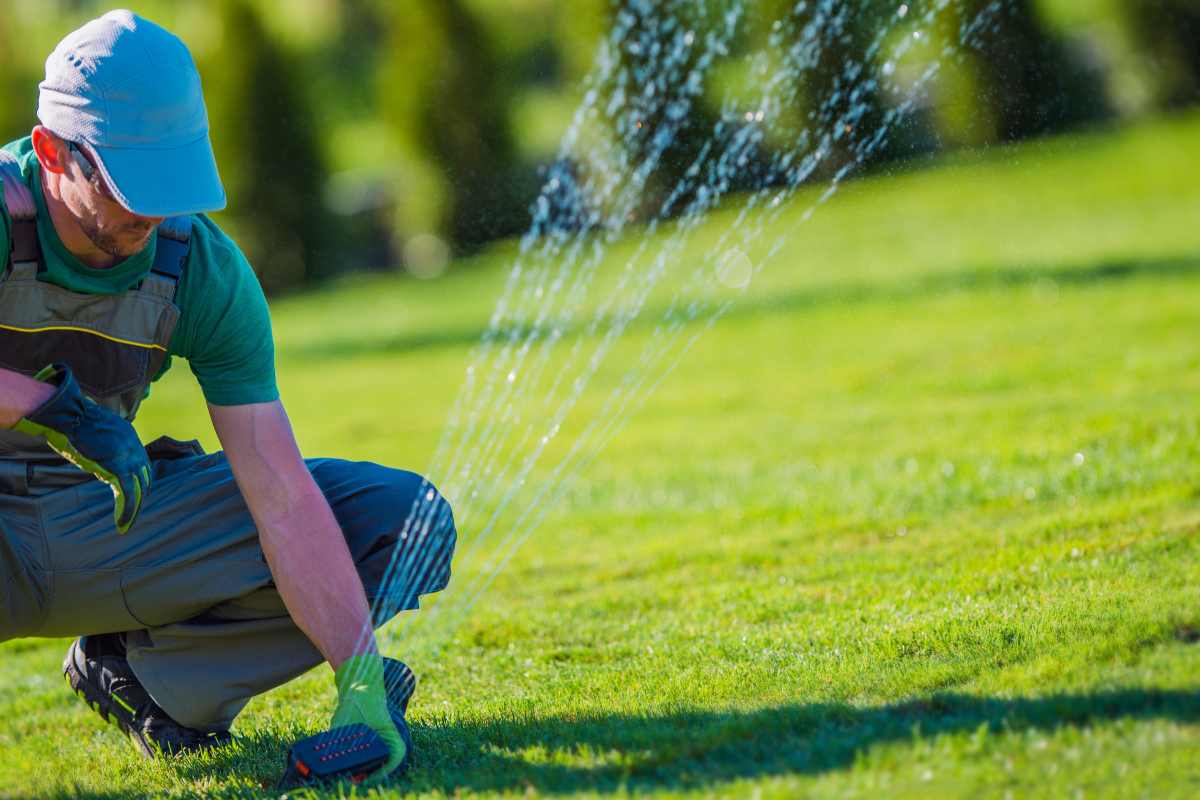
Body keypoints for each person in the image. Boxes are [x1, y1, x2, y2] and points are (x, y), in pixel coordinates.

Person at [0, 9, 456, 783]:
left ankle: (154, 683)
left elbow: (279, 492)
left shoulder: (200, 272)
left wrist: (359, 678)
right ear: (52, 150)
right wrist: (52, 409)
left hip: (102, 521)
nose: (150, 213)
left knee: (400, 526)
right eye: (126, 184)